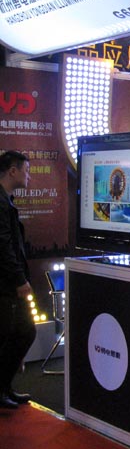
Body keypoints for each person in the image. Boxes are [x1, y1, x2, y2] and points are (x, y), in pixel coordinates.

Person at [0, 151, 36, 409]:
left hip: (9, 282)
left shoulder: (6, 201)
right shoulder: (1, 203)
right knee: (16, 332)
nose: (28, 176)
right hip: (6, 284)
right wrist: (19, 279)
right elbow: (3, 245)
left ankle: (5, 388)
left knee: (24, 331)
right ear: (12, 171)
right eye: (26, 171)